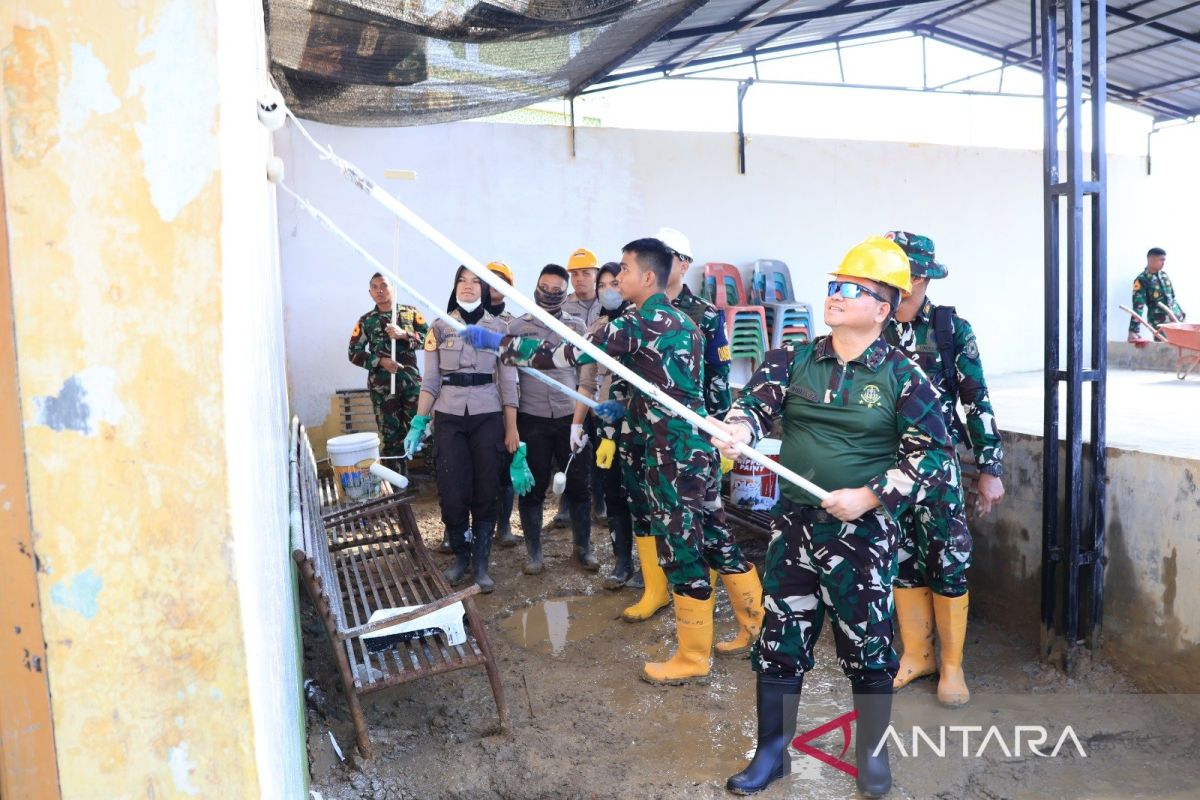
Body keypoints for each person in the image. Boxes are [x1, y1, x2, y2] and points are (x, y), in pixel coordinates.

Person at [710, 236, 954, 797]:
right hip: (793, 525)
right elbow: (755, 404)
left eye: (853, 289)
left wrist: (870, 495)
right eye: (834, 286)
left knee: (867, 645)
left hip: (862, 534)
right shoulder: (796, 356)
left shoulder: (902, 375)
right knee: (780, 639)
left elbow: (932, 458)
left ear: (883, 308)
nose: (837, 296)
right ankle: (772, 754)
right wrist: (739, 428)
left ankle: (871, 755)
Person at [465, 238, 759, 685]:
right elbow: (672, 383)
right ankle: (752, 626)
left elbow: (562, 355)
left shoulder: (633, 323)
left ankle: (693, 656)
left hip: (669, 457)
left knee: (682, 551)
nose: (615, 277)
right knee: (717, 536)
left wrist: (499, 344)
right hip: (697, 450)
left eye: (623, 269)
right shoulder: (686, 322)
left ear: (646, 277)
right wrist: (628, 406)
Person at [883, 231, 1005, 708]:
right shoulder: (872, 325)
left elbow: (977, 402)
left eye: (912, 276)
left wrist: (989, 466)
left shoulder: (951, 330)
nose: (904, 286)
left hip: (937, 470)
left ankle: (951, 665)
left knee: (947, 562)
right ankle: (916, 654)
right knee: (901, 560)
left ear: (924, 278)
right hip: (884, 470)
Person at [653, 226, 760, 656]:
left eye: (669, 257)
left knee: (695, 535)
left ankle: (699, 652)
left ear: (683, 263)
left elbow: (718, 380)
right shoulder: (638, 308)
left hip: (693, 442)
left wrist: (721, 436)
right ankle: (756, 626)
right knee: (709, 531)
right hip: (654, 439)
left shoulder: (704, 314)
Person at [405, 266, 519, 593]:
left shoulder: (500, 328)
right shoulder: (440, 326)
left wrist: (511, 429)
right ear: (454, 285)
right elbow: (430, 382)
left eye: (475, 282)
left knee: (487, 488)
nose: (468, 287)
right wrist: (418, 422)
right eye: (461, 280)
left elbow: (509, 383)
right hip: (450, 415)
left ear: (484, 288)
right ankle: (460, 557)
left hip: (488, 413)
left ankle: (482, 564)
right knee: (452, 490)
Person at [508, 264, 597, 574]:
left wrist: (579, 422)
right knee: (532, 488)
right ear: (535, 287)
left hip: (569, 418)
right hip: (530, 419)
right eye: (544, 289)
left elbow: (587, 379)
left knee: (579, 486)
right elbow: (507, 378)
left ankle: (582, 550)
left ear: (564, 293)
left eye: (557, 292)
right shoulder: (517, 328)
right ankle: (535, 554)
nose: (549, 295)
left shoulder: (577, 329)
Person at [574, 261, 640, 588]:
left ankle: (652, 567)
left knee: (642, 494)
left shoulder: (641, 324)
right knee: (612, 491)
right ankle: (622, 560)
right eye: (602, 285)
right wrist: (577, 423)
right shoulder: (596, 329)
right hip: (604, 424)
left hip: (639, 423)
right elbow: (585, 382)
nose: (608, 290)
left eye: (615, 283)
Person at [347, 272, 429, 467]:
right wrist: (380, 361)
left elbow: (430, 340)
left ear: (393, 288)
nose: (379, 290)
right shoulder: (366, 321)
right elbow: (354, 352)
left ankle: (435, 482)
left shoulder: (410, 313)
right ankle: (399, 486)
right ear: (370, 293)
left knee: (422, 434)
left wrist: (404, 335)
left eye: (383, 285)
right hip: (383, 389)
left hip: (412, 386)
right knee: (391, 439)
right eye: (374, 287)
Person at [561, 247, 605, 524]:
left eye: (585, 273)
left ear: (596, 274)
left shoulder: (610, 305)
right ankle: (565, 506)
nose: (579, 279)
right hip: (572, 388)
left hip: (602, 391)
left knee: (602, 447)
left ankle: (599, 504)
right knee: (571, 448)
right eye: (574, 274)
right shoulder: (563, 307)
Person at [485, 261, 520, 549]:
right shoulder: (464, 318)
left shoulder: (514, 323)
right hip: (478, 404)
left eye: (501, 280)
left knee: (506, 465)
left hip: (507, 402)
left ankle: (504, 525)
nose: (494, 284)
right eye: (488, 278)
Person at [1128, 246, 1186, 341]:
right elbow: (1138, 308)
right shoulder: (1142, 280)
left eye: (1164, 260)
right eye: (1161, 260)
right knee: (1165, 351)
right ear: (1151, 259)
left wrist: (1182, 315)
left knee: (1183, 349)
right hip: (1160, 323)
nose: (1163, 263)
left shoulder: (1164, 276)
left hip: (1177, 320)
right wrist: (1133, 330)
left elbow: (1172, 298)